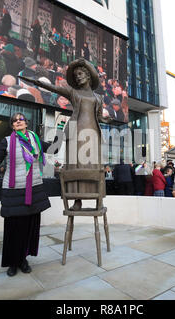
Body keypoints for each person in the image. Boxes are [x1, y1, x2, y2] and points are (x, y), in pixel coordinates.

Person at [18, 58, 113, 211]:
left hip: (92, 132)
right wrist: (37, 82)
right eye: (76, 75)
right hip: (75, 131)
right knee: (75, 164)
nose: (78, 77)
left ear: (88, 76)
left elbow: (100, 116)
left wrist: (106, 119)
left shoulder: (99, 98)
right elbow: (53, 87)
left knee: (93, 165)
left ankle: (97, 197)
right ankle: (77, 200)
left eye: (81, 74)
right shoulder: (72, 91)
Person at [0, 113, 53, 277]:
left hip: (33, 189)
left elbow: (54, 149)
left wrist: (62, 133)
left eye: (21, 119)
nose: (18, 121)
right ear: (12, 125)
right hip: (13, 190)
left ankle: (23, 260)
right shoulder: (7, 141)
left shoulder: (35, 139)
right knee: (13, 228)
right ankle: (12, 262)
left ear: (26, 123)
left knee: (28, 227)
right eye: (14, 120)